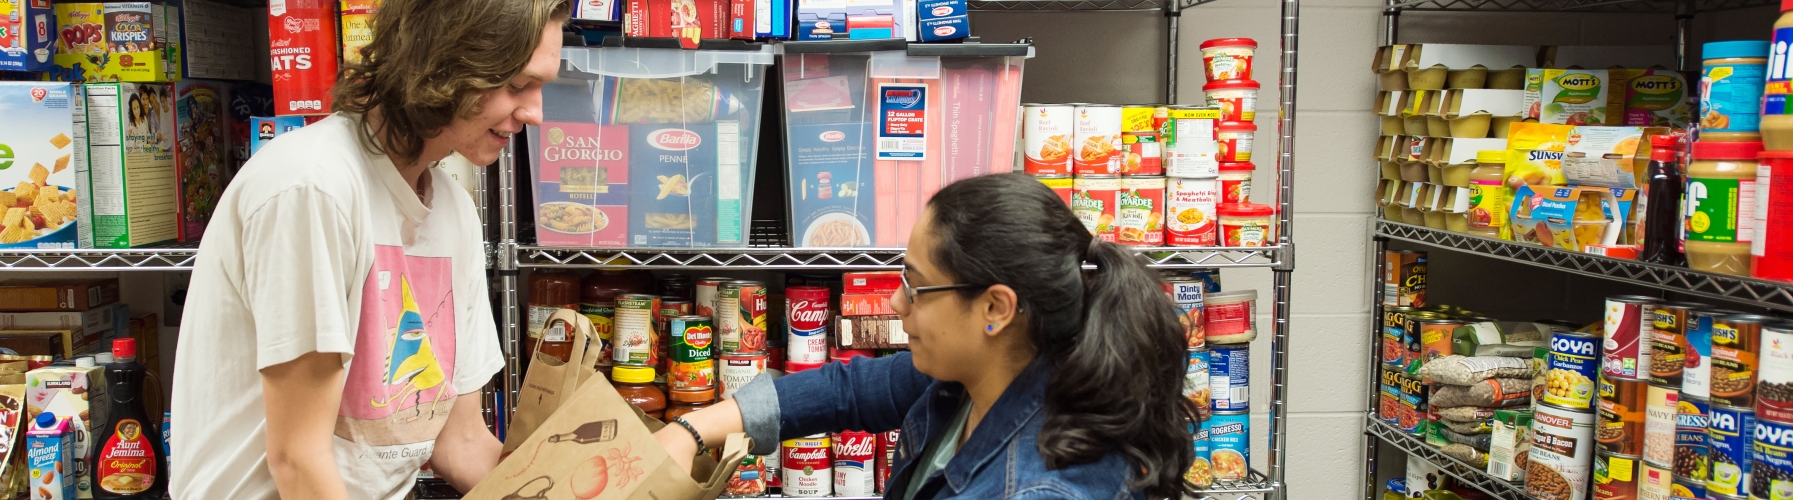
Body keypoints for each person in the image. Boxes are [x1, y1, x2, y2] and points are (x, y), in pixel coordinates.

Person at [167, 0, 570, 497]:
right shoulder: (313, 188)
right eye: (517, 85)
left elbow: (460, 442)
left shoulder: (453, 211)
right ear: (447, 63)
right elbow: (298, 462)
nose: (536, 113)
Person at [655, 173, 1201, 500]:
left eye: (915, 286)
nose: (895, 303)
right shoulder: (980, 379)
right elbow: (850, 390)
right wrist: (693, 429)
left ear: (995, 308)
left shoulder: (1041, 490)